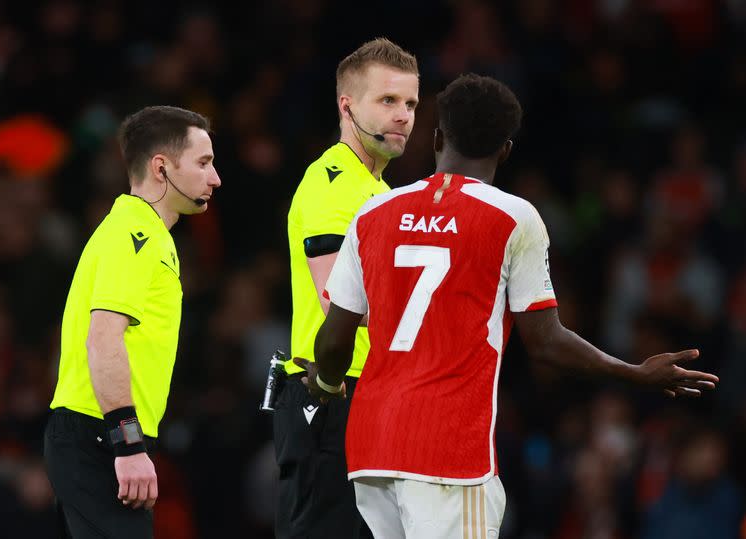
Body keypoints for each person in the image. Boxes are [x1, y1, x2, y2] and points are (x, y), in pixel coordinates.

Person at [301, 74, 719, 539]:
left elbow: (335, 338)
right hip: (448, 451)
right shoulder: (513, 217)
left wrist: (325, 384)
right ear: (505, 151)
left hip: (372, 447)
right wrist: (635, 373)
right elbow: (545, 343)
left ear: (437, 137)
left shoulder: (373, 214)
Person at [44, 105, 221, 538]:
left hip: (98, 431)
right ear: (161, 167)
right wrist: (127, 443)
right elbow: (103, 339)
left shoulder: (146, 233)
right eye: (203, 162)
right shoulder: (134, 235)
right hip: (100, 433)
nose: (214, 178)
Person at [277, 38, 419, 538]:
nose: (403, 115)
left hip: (365, 394)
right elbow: (336, 301)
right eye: (388, 101)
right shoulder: (334, 183)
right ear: (347, 105)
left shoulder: (377, 190)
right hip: (331, 391)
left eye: (410, 104)